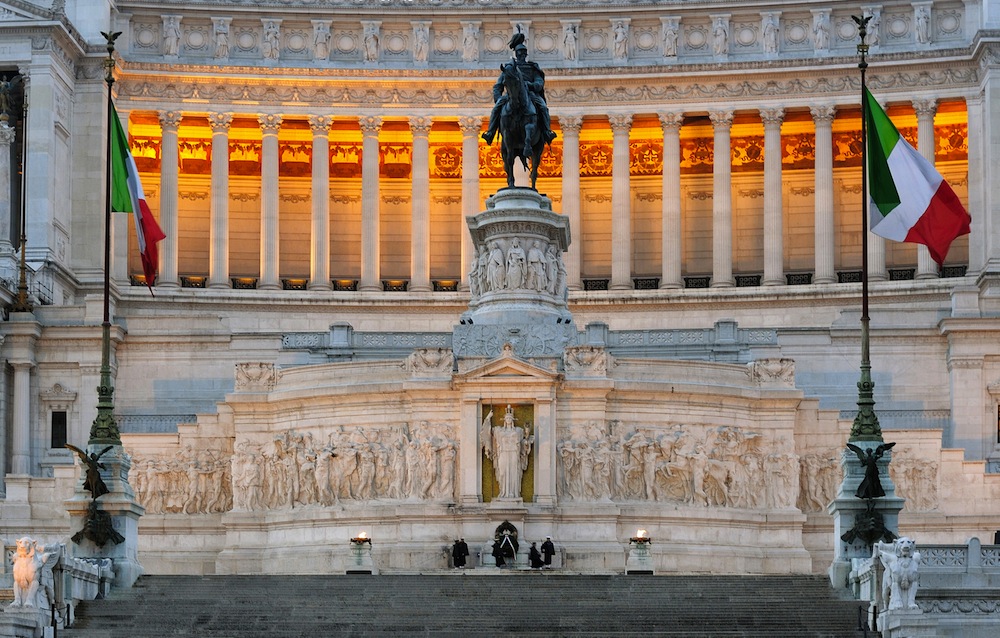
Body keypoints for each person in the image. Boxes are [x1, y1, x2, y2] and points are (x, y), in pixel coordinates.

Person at [482, 35, 556, 146]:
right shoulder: (509, 69)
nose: (521, 54)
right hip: (511, 95)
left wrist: (530, 85)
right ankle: (490, 132)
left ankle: (547, 131)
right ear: (516, 54)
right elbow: (498, 86)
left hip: (530, 95)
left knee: (543, 108)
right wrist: (498, 99)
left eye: (523, 52)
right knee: (496, 108)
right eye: (519, 52)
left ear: (526, 54)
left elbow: (539, 83)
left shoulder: (532, 67)